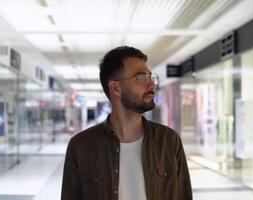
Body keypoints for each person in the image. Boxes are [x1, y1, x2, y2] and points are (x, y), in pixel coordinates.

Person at [61, 46, 192, 200]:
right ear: (116, 88)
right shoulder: (81, 146)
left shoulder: (169, 141)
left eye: (151, 77)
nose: (152, 85)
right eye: (141, 77)